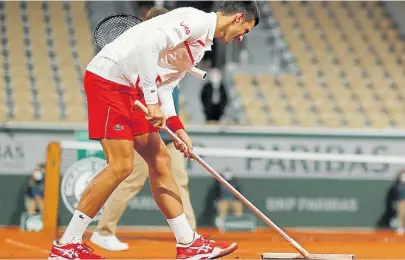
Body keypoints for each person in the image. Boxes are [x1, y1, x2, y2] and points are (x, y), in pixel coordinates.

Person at [48, 1, 260, 259]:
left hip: (130, 87)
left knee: (160, 160)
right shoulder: (197, 22)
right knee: (121, 165)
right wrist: (150, 102)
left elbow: (165, 87)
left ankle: (187, 243)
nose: (241, 38)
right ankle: (67, 244)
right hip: (108, 80)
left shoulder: (201, 44)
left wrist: (177, 127)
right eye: (245, 31)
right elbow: (149, 45)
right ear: (238, 18)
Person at [89, 7, 197, 252]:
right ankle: (103, 231)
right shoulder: (141, 58)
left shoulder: (169, 58)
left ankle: (189, 235)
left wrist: (177, 129)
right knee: (127, 178)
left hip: (166, 132)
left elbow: (168, 99)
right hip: (142, 132)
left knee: (179, 180)